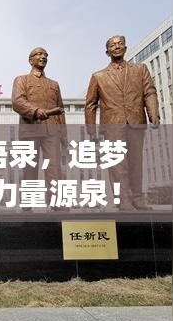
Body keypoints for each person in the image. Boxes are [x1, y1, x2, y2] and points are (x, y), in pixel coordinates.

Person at [85, 35, 160, 211]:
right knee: (117, 164)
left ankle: (138, 199)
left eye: (120, 44)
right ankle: (123, 199)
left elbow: (149, 92)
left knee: (136, 162)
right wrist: (91, 132)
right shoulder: (98, 76)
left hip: (136, 121)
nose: (117, 47)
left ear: (125, 48)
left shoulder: (140, 69)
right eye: (113, 45)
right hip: (112, 125)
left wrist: (153, 113)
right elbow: (90, 105)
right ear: (107, 52)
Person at [12, 47, 67, 211]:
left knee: (54, 167)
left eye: (45, 55)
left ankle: (56, 200)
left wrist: (64, 136)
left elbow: (61, 110)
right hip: (30, 128)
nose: (43, 57)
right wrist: (35, 111)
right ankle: (28, 201)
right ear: (31, 60)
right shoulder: (21, 80)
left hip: (52, 130)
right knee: (29, 168)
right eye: (39, 54)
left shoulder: (54, 84)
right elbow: (17, 102)